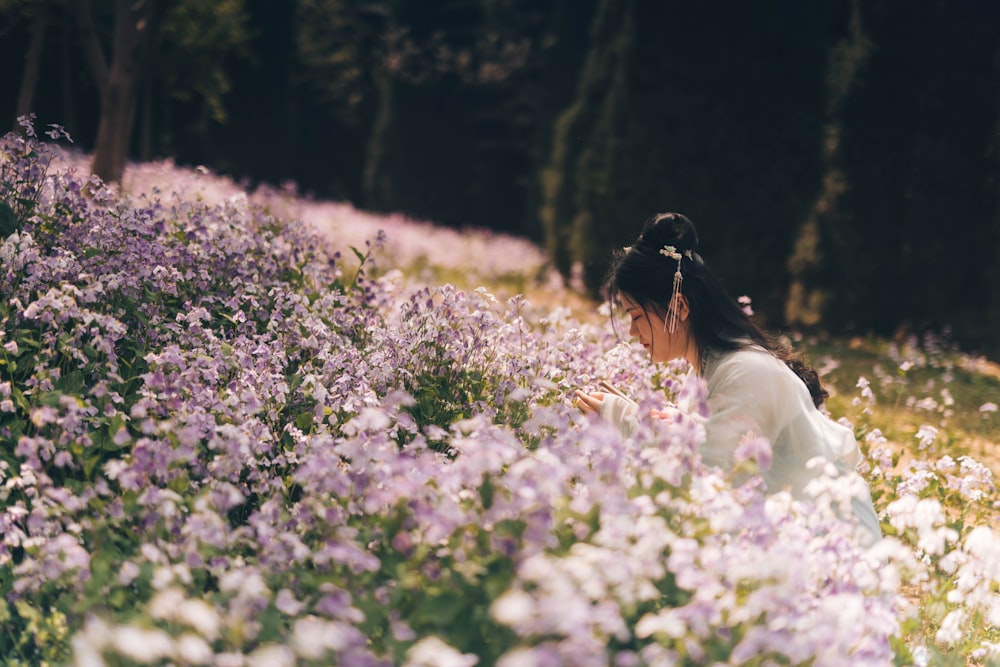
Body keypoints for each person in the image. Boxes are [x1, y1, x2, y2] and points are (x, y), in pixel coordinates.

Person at [574, 212, 881, 544]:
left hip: (835, 550)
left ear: (678, 305)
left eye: (636, 315)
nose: (633, 331)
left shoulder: (745, 369)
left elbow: (718, 472)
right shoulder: (711, 370)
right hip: (793, 538)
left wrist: (626, 418)